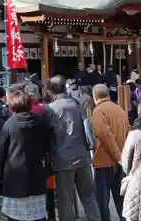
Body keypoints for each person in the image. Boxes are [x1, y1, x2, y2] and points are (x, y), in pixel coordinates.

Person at [46, 75, 100, 221]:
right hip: (82, 156)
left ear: (50, 91)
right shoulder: (77, 104)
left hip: (62, 160)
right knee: (89, 196)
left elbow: (48, 136)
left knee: (66, 200)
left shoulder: (50, 109)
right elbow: (87, 129)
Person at [0, 90, 52, 221]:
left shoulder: (9, 124)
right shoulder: (41, 122)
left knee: (15, 217)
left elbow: (1, 151)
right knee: (37, 216)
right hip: (36, 173)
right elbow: (47, 147)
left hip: (14, 175)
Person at [90, 84, 130, 221]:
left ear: (94, 96)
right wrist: (122, 157)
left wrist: (117, 156)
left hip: (104, 160)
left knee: (102, 200)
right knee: (121, 199)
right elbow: (128, 133)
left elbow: (105, 135)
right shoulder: (120, 109)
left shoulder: (97, 111)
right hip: (120, 160)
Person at [24, 83, 57, 221]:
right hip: (46, 155)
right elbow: (54, 132)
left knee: (31, 188)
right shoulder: (47, 110)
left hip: (26, 156)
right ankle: (50, 216)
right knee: (49, 188)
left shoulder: (20, 111)